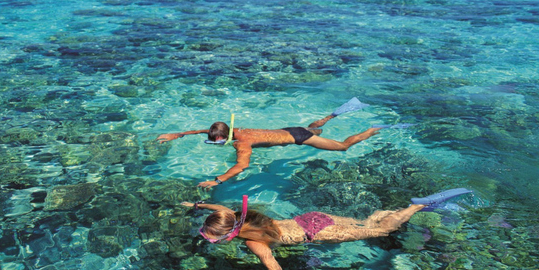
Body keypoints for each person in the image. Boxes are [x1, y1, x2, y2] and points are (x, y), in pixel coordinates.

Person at [183, 189, 472, 270]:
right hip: (311, 219)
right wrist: (197, 206)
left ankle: (417, 206)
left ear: (231, 234)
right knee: (365, 225)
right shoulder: (234, 215)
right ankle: (391, 212)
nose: (212, 242)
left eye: (213, 239)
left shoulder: (254, 243)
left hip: (317, 233)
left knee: (382, 232)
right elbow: (216, 208)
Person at [157, 98, 381, 189]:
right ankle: (332, 115)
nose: (215, 142)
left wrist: (218, 180)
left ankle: (372, 130)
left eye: (218, 141)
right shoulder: (232, 130)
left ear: (226, 137)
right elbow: (202, 130)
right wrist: (178, 134)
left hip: (299, 138)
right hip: (290, 130)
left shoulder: (242, 143)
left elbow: (242, 166)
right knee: (315, 128)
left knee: (342, 147)